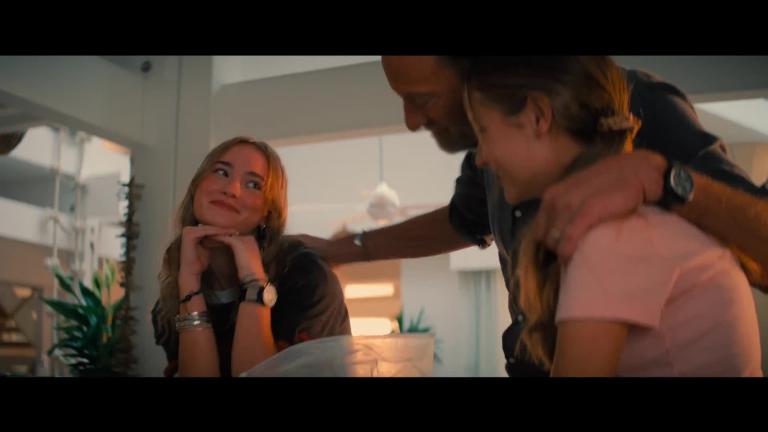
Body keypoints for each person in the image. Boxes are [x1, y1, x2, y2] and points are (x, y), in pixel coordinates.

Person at [293, 56, 768, 376]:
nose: (411, 121)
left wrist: (664, 177)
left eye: (423, 98)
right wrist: (344, 249)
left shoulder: (608, 235)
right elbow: (463, 220)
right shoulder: (516, 163)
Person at [463, 56, 761, 376]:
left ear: (538, 116)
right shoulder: (621, 226)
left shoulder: (610, 240)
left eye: (483, 133)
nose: (480, 158)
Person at [152, 136, 350, 377]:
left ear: (268, 212)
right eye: (221, 172)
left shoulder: (305, 276)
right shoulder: (168, 302)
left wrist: (255, 284)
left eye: (254, 185)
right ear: (196, 187)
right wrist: (190, 287)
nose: (231, 190)